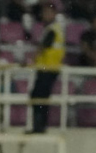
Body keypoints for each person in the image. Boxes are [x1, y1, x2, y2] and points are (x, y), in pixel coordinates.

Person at [29, 2, 65, 134]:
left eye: (47, 12)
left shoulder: (52, 30)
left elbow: (42, 48)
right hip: (47, 68)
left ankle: (39, 127)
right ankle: (38, 126)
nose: (44, 15)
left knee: (39, 96)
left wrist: (31, 60)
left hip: (48, 69)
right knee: (40, 97)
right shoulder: (52, 28)